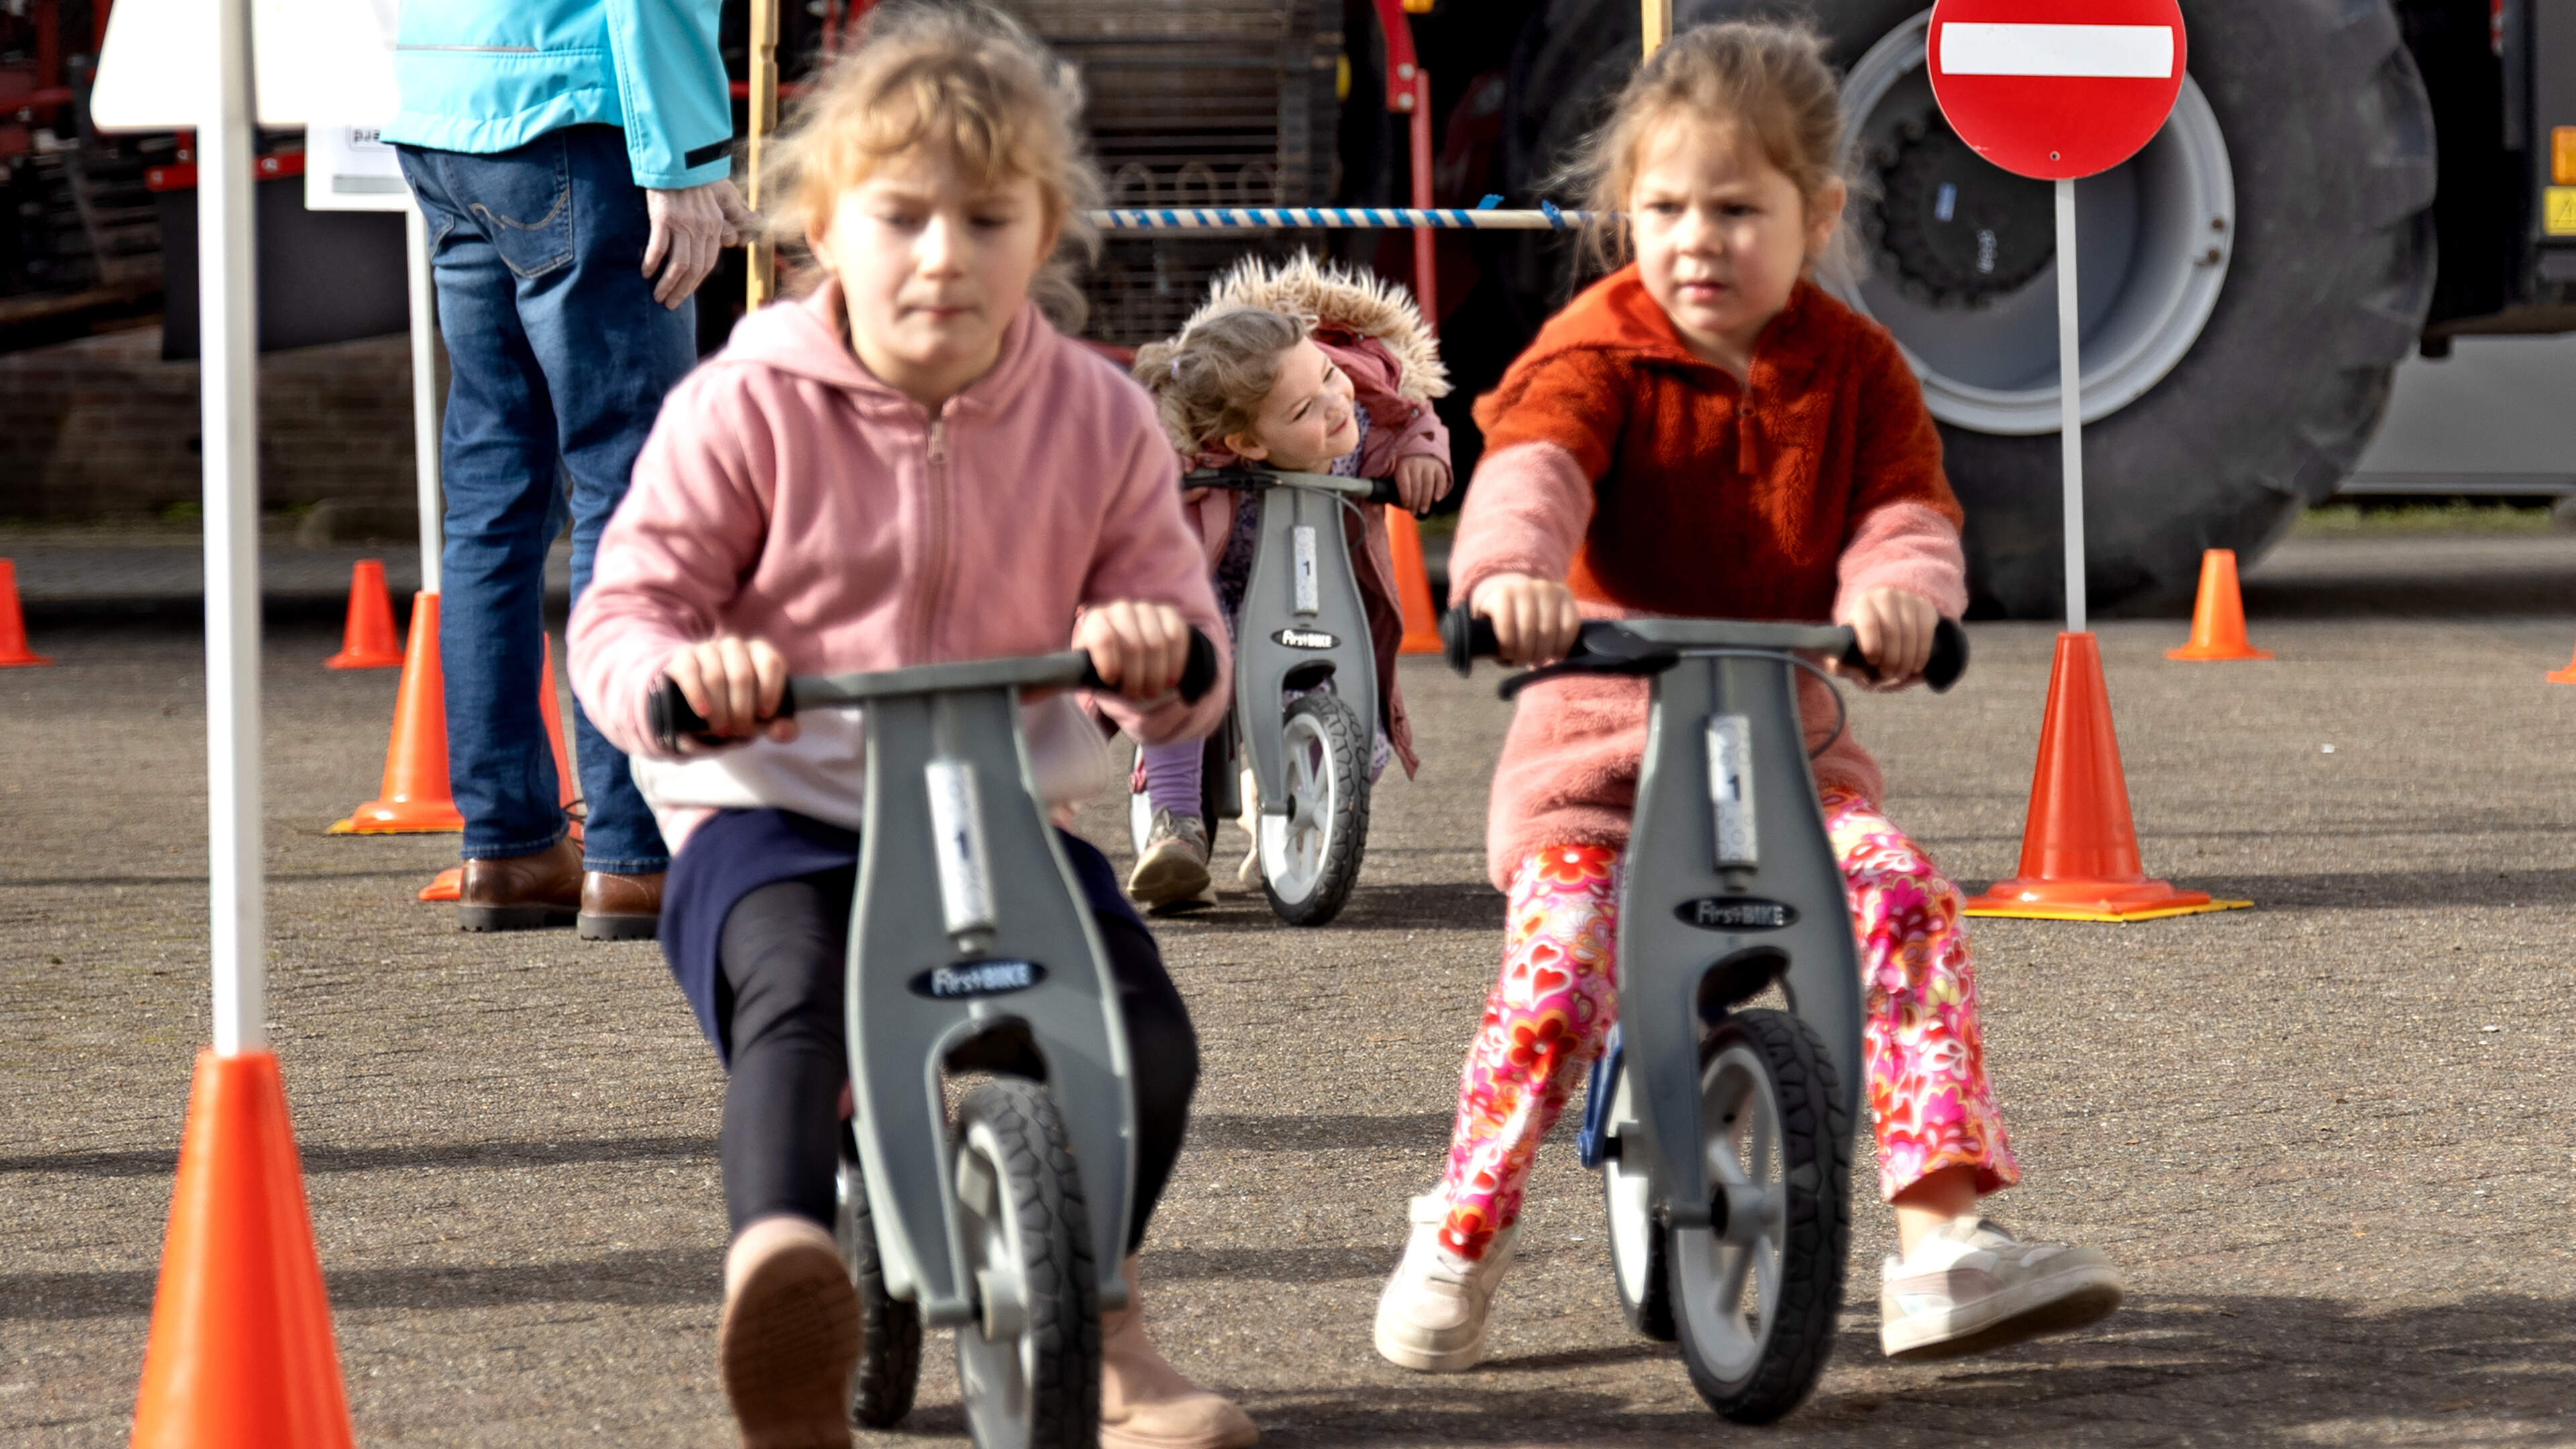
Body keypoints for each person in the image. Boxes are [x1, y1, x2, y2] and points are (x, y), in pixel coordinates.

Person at [1371, 20, 2123, 1373]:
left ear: (1818, 214)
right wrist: (1508, 579)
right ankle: (1459, 1231)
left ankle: (1943, 1242)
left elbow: (1907, 510)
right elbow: (1533, 470)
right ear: (1625, 215)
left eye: (1736, 208)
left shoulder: (1857, 370)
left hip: (1790, 755)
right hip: (1600, 767)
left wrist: (1903, 596)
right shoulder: (1597, 347)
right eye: (1664, 208)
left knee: (1896, 891)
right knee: (1555, 983)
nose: (1697, 240)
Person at [568, 7, 1259, 1446]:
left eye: (985, 219)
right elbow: (625, 608)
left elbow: (1185, 638)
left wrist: (1157, 657)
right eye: (900, 218)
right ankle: (783, 1288)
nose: (941, 255)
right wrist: (686, 682)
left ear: (1044, 231)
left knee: (1142, 1035)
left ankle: (1111, 1324)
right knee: (798, 1001)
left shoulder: (1098, 418)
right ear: (825, 223)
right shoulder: (747, 403)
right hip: (779, 810)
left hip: (997, 807)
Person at [386, 0, 754, 938]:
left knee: (493, 496)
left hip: (444, 101)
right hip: (581, 111)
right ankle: (633, 849)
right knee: (630, 492)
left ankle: (508, 845)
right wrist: (687, 159)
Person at [1122, 256, 1454, 909]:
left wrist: (1421, 456)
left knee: (1356, 717)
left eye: (1331, 375)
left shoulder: (1357, 418)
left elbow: (1411, 418)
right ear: (1245, 442)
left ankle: (1283, 813)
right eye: (1306, 407)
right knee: (1181, 667)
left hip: (1311, 595)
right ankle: (1176, 825)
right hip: (1211, 587)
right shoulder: (1194, 448)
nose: (1336, 405)